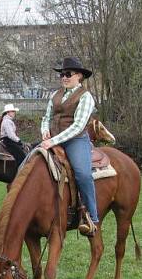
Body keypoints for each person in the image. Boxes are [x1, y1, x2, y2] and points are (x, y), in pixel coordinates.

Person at [40, 56, 99, 236]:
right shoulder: (55, 95)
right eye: (62, 74)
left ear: (79, 76)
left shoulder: (86, 97)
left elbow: (78, 126)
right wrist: (44, 131)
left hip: (75, 140)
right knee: (27, 161)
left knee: (82, 173)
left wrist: (53, 141)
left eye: (68, 74)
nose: (64, 77)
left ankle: (92, 217)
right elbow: (46, 117)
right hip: (52, 138)